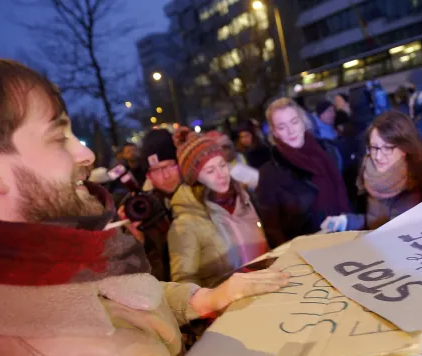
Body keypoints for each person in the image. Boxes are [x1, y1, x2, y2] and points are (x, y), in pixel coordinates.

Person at [0, 55, 289, 356]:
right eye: (58, 137)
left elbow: (125, 299)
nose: (86, 156)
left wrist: (205, 297)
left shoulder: (26, 264)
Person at [168, 128, 268, 287]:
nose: (221, 174)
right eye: (210, 170)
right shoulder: (186, 223)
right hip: (230, 308)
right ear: (195, 177)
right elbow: (184, 284)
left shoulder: (244, 199)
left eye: (222, 165)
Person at [321, 111, 422, 231]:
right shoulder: (370, 176)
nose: (378, 156)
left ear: (405, 148)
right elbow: (375, 223)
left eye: (387, 148)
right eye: (374, 147)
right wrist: (347, 221)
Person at [257, 97, 351, 247]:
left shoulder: (329, 151)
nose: (290, 131)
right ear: (274, 132)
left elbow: (350, 194)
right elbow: (273, 230)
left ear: (303, 122)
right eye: (282, 127)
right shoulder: (270, 174)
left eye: (294, 122)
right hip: (309, 254)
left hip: (348, 239)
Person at [117, 128, 181, 282]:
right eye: (156, 170)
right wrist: (136, 244)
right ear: (148, 175)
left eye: (169, 166)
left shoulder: (198, 195)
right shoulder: (138, 207)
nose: (165, 176)